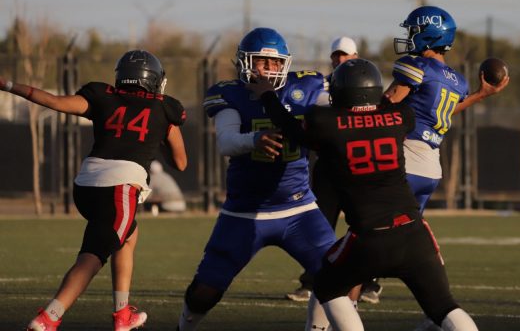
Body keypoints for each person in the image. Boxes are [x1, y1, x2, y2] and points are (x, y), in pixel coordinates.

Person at [251, 58, 479, 331]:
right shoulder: (401, 117)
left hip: (370, 236)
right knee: (444, 306)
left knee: (325, 285)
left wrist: (267, 95)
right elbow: (396, 109)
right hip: (414, 231)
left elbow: (290, 128)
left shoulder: (325, 122)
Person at [1, 50, 188, 331]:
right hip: (120, 189)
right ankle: (49, 318)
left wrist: (8, 85)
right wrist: (156, 135)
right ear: (153, 80)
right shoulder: (165, 108)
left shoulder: (102, 95)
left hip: (85, 187)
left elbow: (54, 101)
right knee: (93, 255)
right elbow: (181, 163)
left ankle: (123, 315)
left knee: (128, 235)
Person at [177, 27, 337, 331]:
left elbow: (341, 110)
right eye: (263, 62)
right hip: (244, 211)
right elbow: (226, 142)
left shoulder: (307, 87)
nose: (270, 69)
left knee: (339, 274)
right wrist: (255, 139)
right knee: (204, 291)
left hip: (299, 209)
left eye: (276, 63)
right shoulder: (230, 93)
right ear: (245, 63)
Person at [287, 35, 386, 304]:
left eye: (345, 55)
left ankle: (369, 283)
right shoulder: (320, 86)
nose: (341, 59)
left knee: (366, 224)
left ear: (356, 57)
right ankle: (311, 282)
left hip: (358, 165)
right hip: (328, 165)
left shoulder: (366, 85)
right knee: (321, 225)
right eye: (336, 55)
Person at [387, 5, 509, 212]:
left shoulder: (419, 66)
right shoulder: (458, 81)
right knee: (407, 228)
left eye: (413, 31)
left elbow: (387, 104)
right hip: (431, 171)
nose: (409, 36)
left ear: (429, 35)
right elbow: (443, 109)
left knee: (372, 223)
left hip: (406, 160)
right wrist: (481, 94)